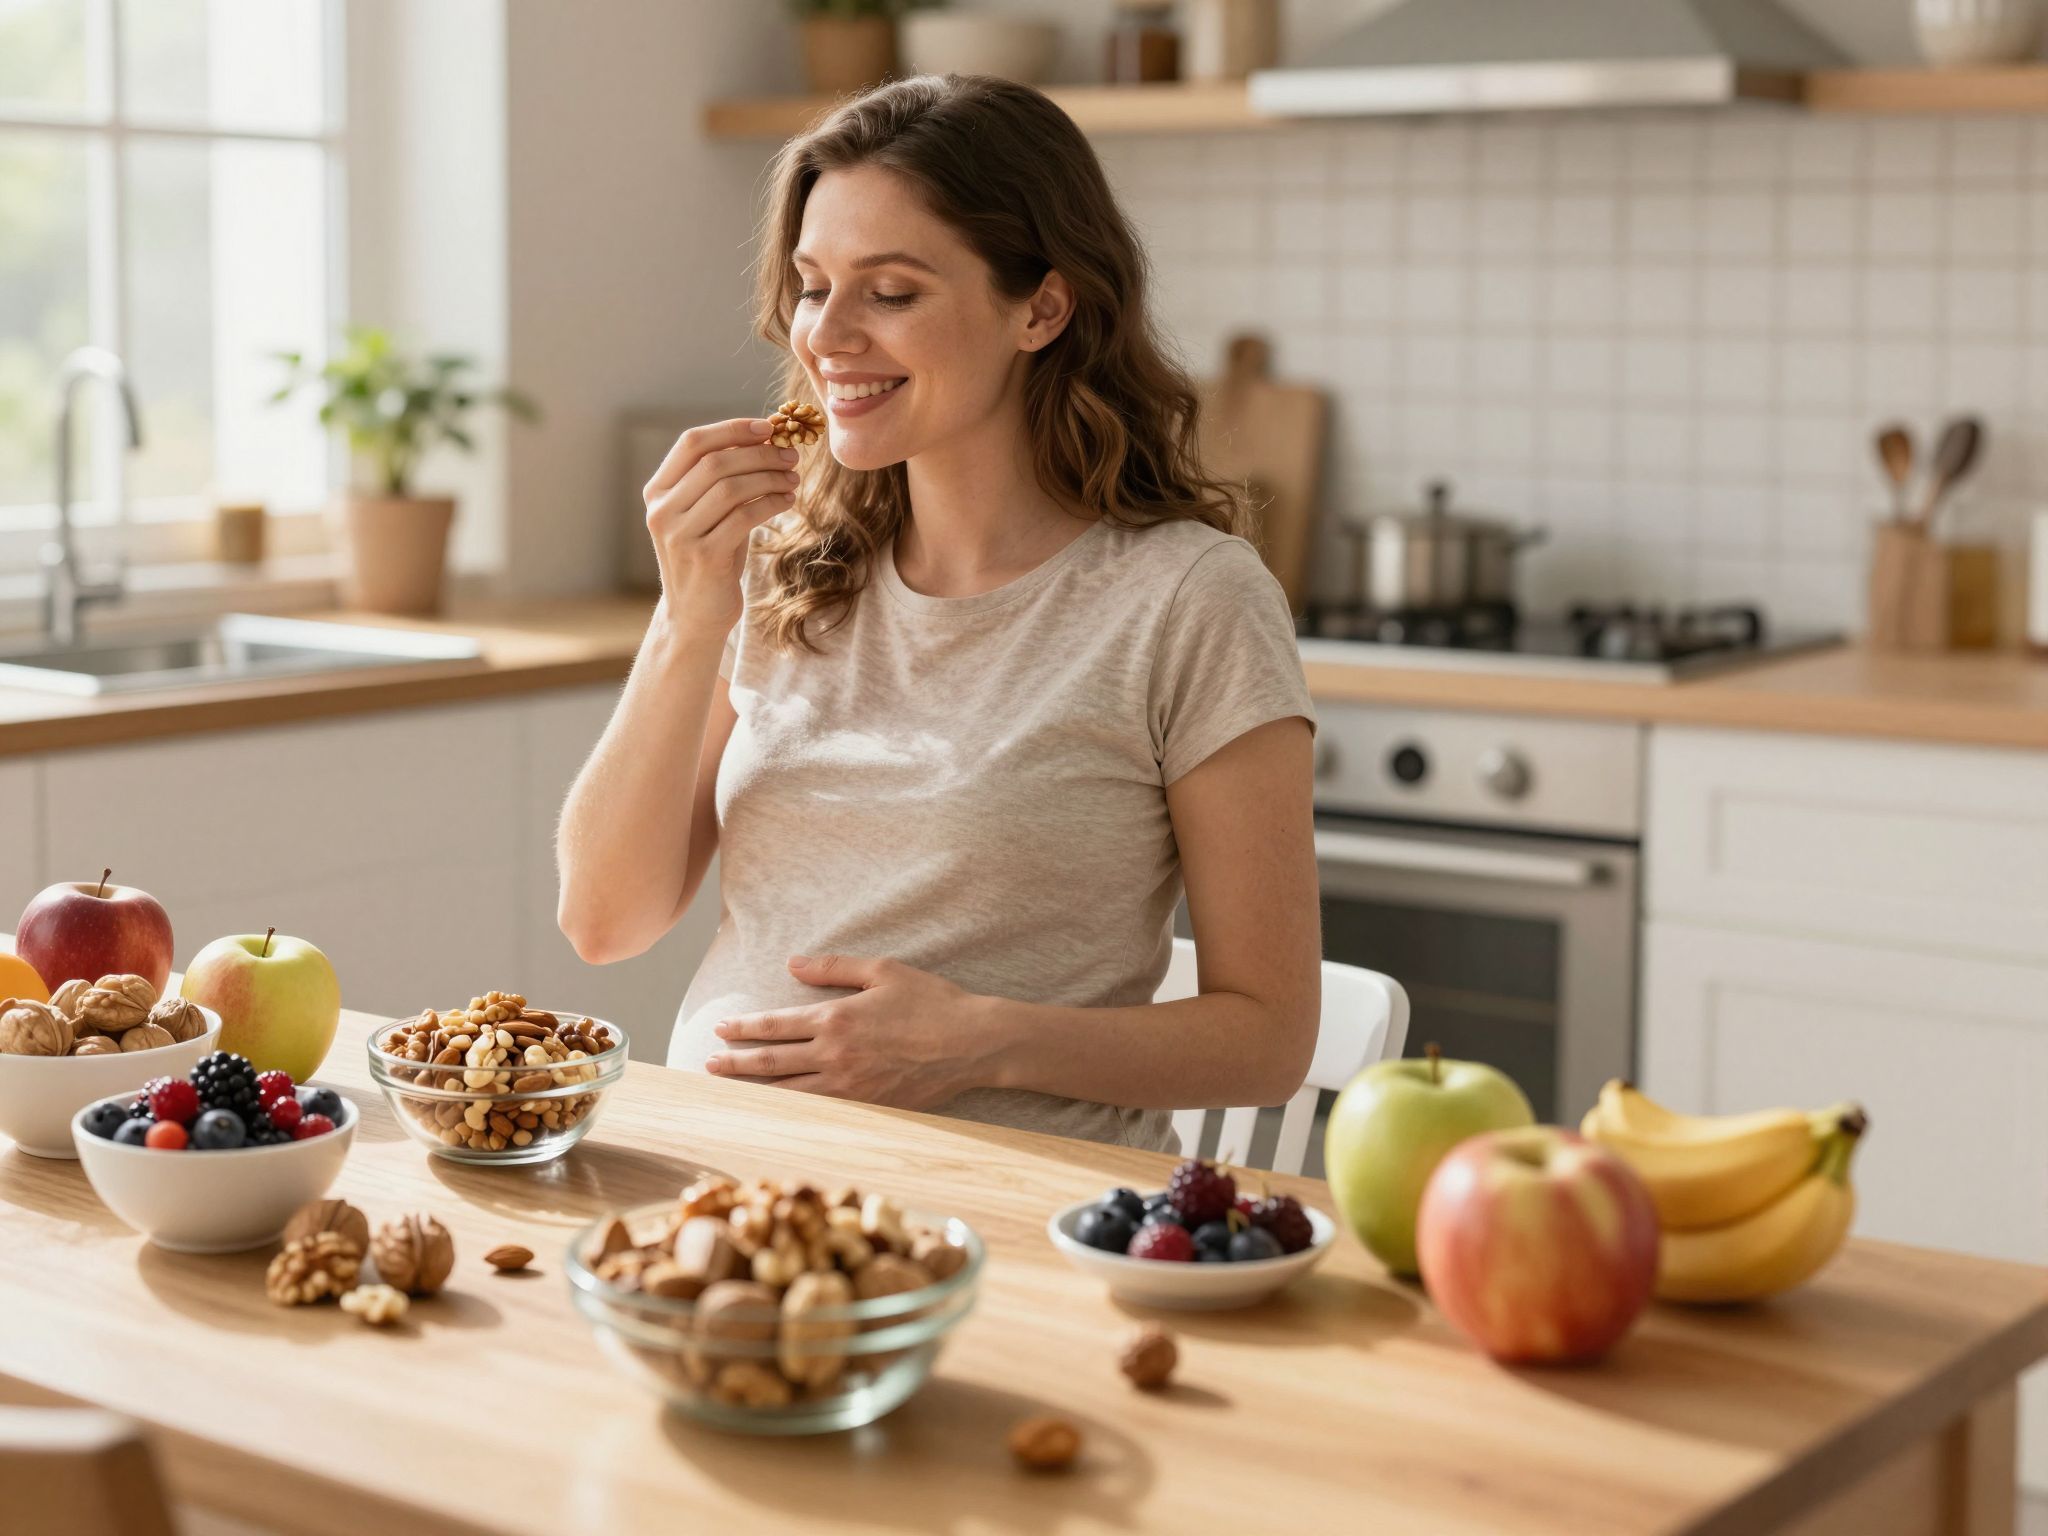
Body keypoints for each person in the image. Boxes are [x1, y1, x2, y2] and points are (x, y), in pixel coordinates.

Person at [556, 74, 1319, 1151]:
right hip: (725, 1185)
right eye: (814, 286)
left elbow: (1269, 1037)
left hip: (1009, 1212)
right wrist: (688, 617)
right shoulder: (779, 570)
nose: (827, 336)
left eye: (892, 292)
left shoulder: (1187, 599)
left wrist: (978, 1041)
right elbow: (602, 920)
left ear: (1041, 308)